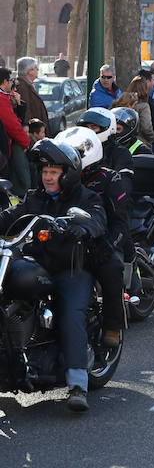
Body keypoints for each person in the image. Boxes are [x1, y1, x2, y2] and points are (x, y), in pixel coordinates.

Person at [0, 139, 107, 411]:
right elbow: (13, 215)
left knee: (71, 313)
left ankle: (77, 384)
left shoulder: (85, 197)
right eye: (45, 172)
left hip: (71, 268)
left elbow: (97, 218)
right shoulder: (35, 198)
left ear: (67, 175)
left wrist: (84, 228)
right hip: (38, 263)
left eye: (53, 172)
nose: (47, 177)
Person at [55, 126, 128, 349]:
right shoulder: (60, 177)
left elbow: (120, 220)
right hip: (64, 238)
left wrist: (107, 245)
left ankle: (112, 325)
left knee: (111, 267)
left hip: (100, 240)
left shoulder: (110, 178)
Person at [0, 68, 33, 198]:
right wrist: (26, 142)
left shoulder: (5, 98)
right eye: (11, 81)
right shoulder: (2, 100)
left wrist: (18, 104)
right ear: (4, 82)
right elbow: (13, 126)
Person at [15, 56, 49, 125]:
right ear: (29, 71)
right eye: (35, 67)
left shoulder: (28, 85)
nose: (38, 69)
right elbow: (26, 111)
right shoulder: (22, 86)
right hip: (32, 131)